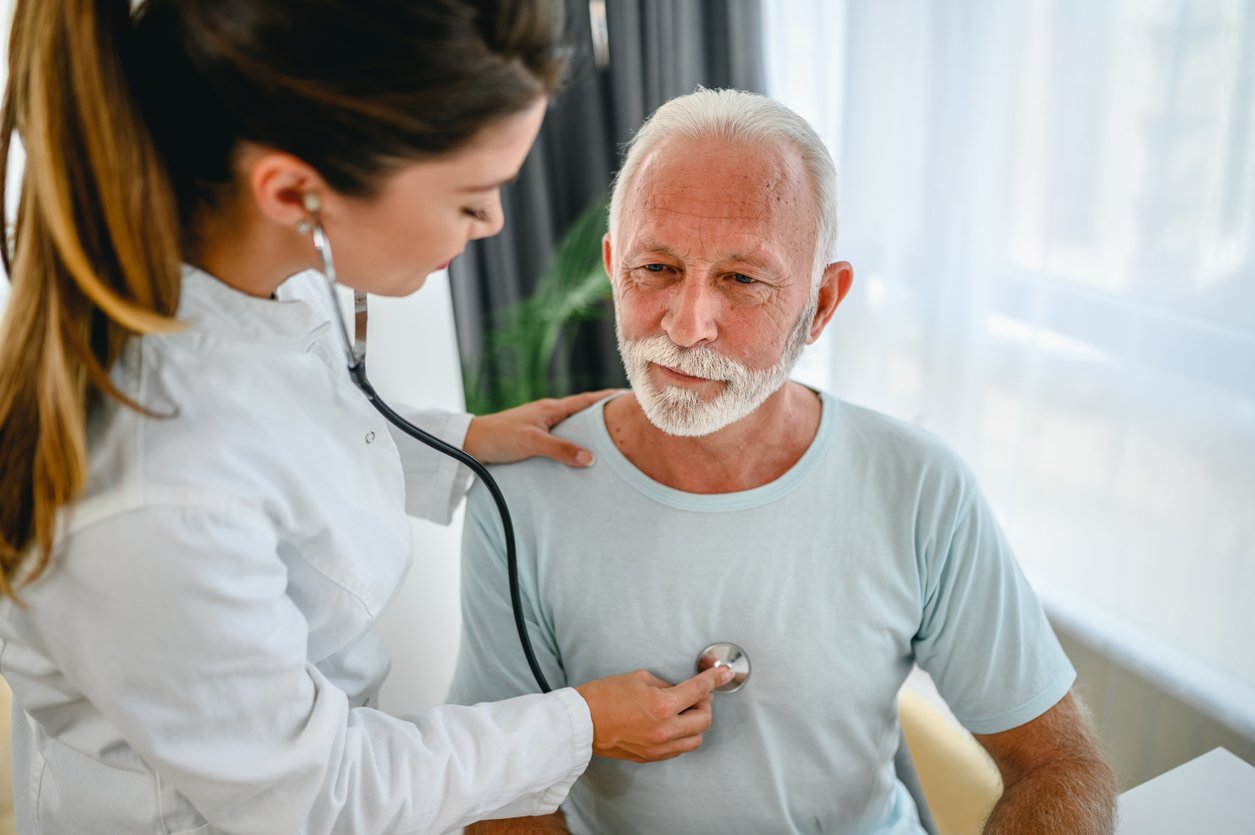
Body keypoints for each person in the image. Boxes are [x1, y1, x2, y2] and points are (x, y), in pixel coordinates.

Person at [0, 2, 734, 832]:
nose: (494, 222)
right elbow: (321, 793)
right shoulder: (151, 495)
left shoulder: (259, 269)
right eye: (470, 197)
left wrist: (462, 441)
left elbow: (290, 417)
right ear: (293, 192)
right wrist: (581, 723)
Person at [447, 88, 1119, 834]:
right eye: (656, 268)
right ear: (612, 268)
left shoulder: (919, 484)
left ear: (822, 303)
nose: (686, 324)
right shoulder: (520, 493)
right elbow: (504, 794)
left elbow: (1057, 761)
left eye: (741, 279)